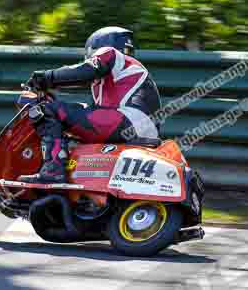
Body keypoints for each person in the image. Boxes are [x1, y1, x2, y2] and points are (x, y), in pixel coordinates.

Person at [19, 26, 161, 183]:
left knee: (48, 110)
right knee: (67, 113)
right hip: (141, 129)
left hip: (127, 121)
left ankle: (53, 170)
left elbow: (85, 71)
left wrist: (46, 77)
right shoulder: (126, 70)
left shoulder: (110, 53)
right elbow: (91, 110)